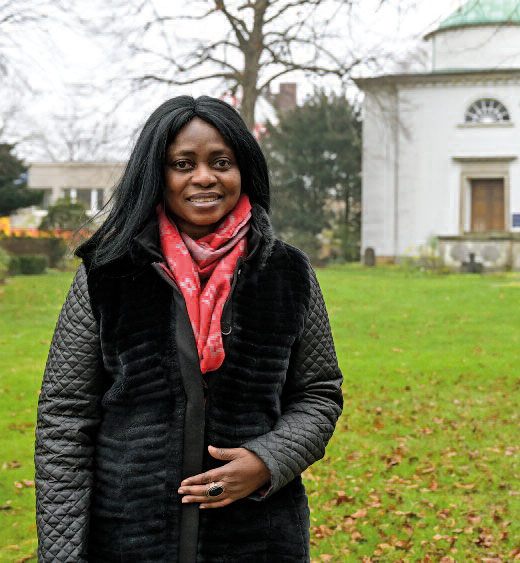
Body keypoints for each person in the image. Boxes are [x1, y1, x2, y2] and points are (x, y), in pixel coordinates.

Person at [34, 95, 344, 562]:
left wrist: (268, 460)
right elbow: (64, 418)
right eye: (183, 163)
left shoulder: (288, 273)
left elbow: (319, 393)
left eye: (222, 162)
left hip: (257, 540)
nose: (204, 177)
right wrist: (60, 555)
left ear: (244, 171)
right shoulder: (107, 273)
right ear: (157, 174)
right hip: (126, 540)